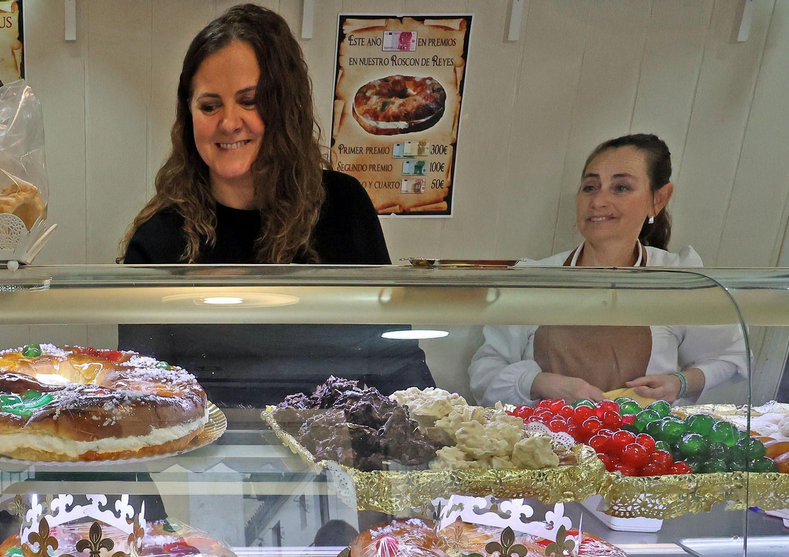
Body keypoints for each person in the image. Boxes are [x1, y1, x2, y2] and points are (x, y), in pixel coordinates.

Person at [117, 3, 432, 404]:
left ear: (286, 107)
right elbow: (144, 397)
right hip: (208, 444)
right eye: (210, 105)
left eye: (250, 101)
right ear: (189, 114)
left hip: (340, 439)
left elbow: (395, 358)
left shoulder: (343, 207)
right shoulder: (158, 241)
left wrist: (434, 423)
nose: (228, 122)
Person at [470, 134, 746, 406]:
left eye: (620, 187)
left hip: (640, 435)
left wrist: (680, 383)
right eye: (590, 187)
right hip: (544, 435)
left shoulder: (678, 277)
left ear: (658, 199)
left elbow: (730, 358)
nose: (598, 201)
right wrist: (542, 383)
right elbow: (485, 373)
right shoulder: (533, 277)